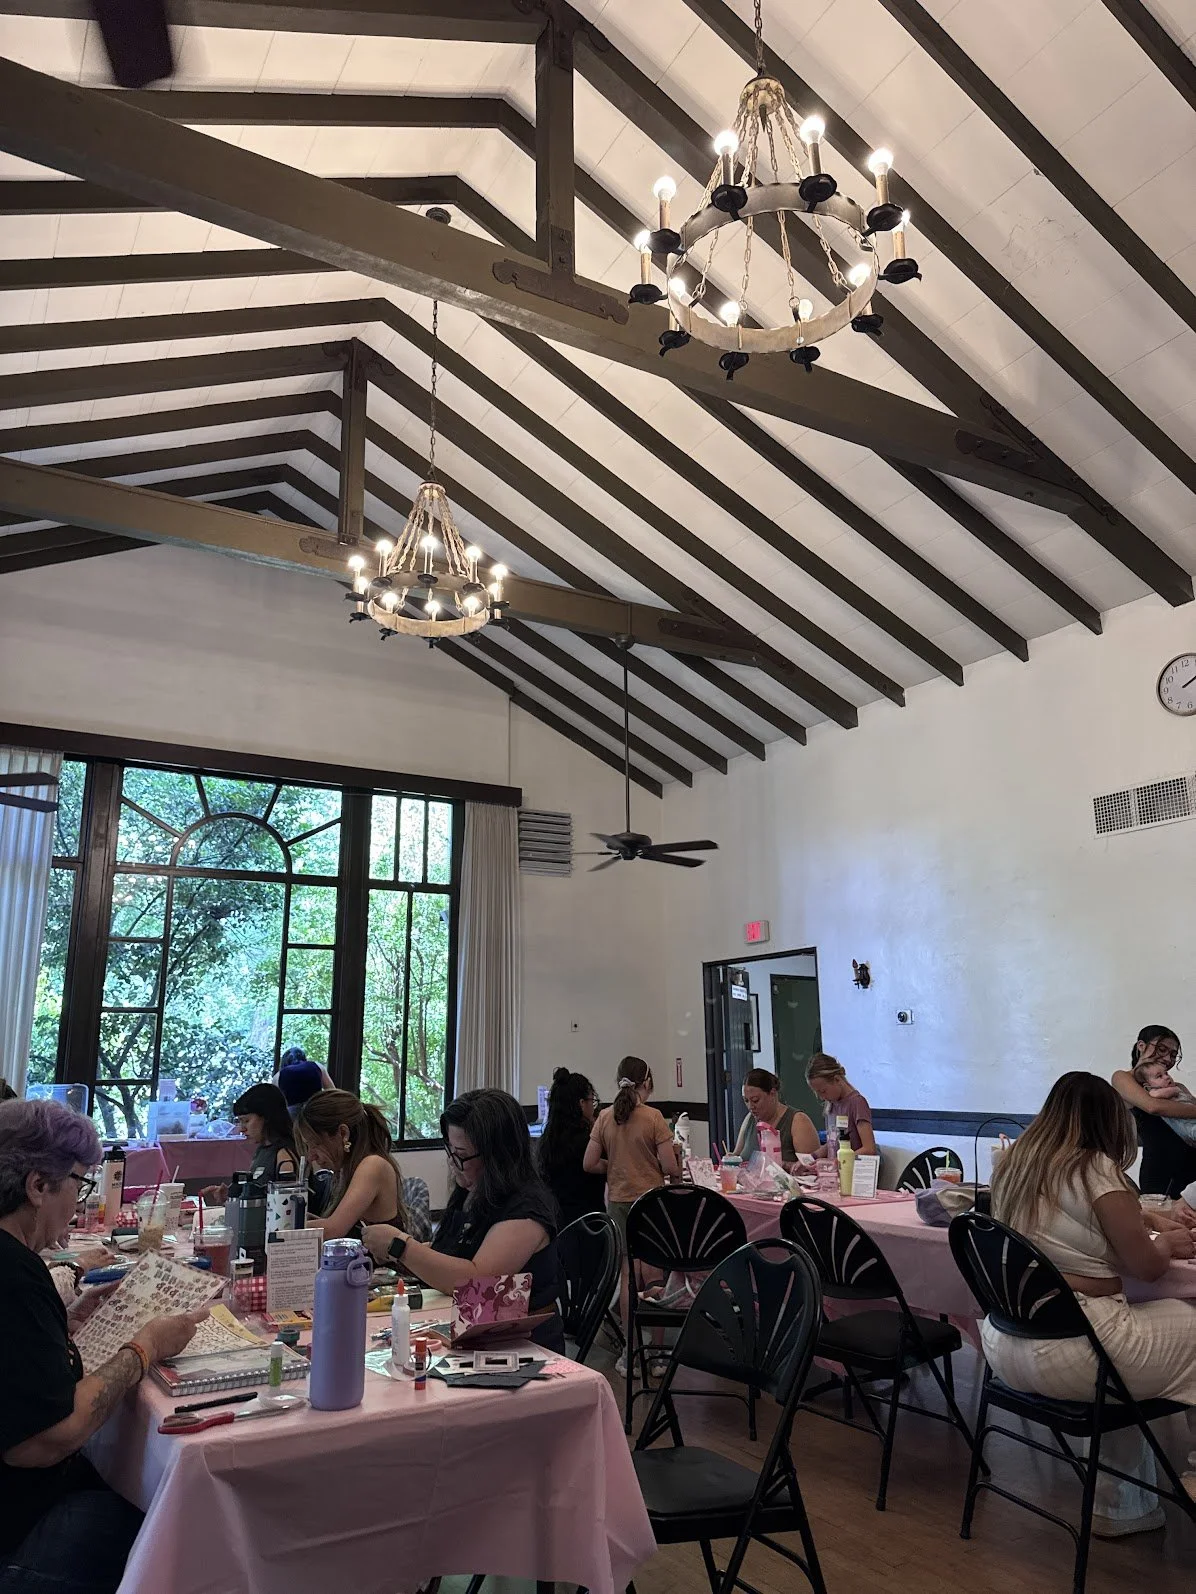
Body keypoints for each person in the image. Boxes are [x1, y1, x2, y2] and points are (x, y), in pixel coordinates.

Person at [0, 1098, 205, 1594]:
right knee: (182, 1523)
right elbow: (47, 1440)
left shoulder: (18, 1271)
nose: (79, 1202)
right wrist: (146, 1346)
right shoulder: (14, 1276)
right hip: (15, 1531)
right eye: (78, 1184)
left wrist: (69, 1323)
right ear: (37, 1186)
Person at [983, 1072, 1196, 1533]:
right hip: (1075, 1353)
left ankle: (1123, 1506)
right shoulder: (1096, 1168)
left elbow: (1075, 1237)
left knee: (1142, 1341)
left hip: (1004, 1345)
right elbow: (1147, 1267)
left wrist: (1150, 1229)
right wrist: (1170, 1246)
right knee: (1180, 1328)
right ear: (1109, 1120)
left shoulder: (1016, 1165)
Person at [361, 1089, 564, 1352]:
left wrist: (401, 1246)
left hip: (524, 1347)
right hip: (472, 1330)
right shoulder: (473, 1192)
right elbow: (452, 1254)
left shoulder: (526, 1211)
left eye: (461, 1154)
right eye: (450, 1149)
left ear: (497, 1156)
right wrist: (412, 1255)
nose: (452, 1162)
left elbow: (476, 1280)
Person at [583, 1058, 680, 1374]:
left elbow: (589, 1163)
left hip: (620, 1204)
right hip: (651, 1203)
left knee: (627, 1276)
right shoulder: (654, 1118)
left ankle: (630, 1352)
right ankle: (659, 1353)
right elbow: (668, 1167)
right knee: (654, 1275)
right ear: (647, 1082)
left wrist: (612, 1168)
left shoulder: (605, 1117)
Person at [294, 1090, 408, 1240]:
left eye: (315, 1144)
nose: (311, 1156)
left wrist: (282, 1226)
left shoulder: (372, 1165)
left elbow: (333, 1230)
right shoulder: (349, 1168)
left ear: (343, 1133)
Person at [1112, 1025, 1196, 1196]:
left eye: (1173, 1055)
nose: (1167, 1058)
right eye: (1162, 1049)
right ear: (1141, 1046)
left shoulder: (1177, 1087)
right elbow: (1153, 1106)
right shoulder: (1123, 1077)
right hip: (1161, 1171)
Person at [536, 1069, 606, 1230]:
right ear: (582, 1104)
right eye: (592, 1101)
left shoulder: (547, 1140)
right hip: (591, 1224)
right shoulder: (588, 1142)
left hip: (557, 1224)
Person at [732, 1067, 819, 1167]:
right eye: (746, 1101)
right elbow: (736, 1156)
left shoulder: (798, 1121)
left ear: (772, 1094)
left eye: (755, 1100)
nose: (750, 1106)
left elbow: (811, 1168)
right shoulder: (750, 1119)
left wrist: (783, 1166)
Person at [805, 1053, 877, 1157]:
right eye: (817, 1093)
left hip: (853, 1169)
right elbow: (833, 1142)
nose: (821, 1097)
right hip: (836, 1170)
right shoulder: (831, 1104)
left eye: (823, 1091)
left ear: (837, 1079)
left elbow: (869, 1149)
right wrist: (811, 1158)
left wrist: (841, 1160)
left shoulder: (857, 1103)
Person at [233, 1082, 298, 1187]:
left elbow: (286, 1199)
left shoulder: (283, 1154)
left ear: (266, 1117)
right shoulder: (262, 1150)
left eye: (246, 1120)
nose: (242, 1129)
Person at [1132, 1054, 1196, 1146]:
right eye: (1159, 1076)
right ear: (1147, 1086)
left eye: (1166, 1073)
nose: (1166, 1077)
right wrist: (1174, 1090)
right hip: (1187, 1127)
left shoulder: (1177, 1087)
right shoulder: (1155, 1092)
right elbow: (1154, 1095)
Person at [274, 1047, 334, 1120]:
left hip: (292, 1117)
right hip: (316, 1112)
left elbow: (275, 1105)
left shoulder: (278, 1075)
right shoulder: (318, 1066)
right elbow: (332, 1092)